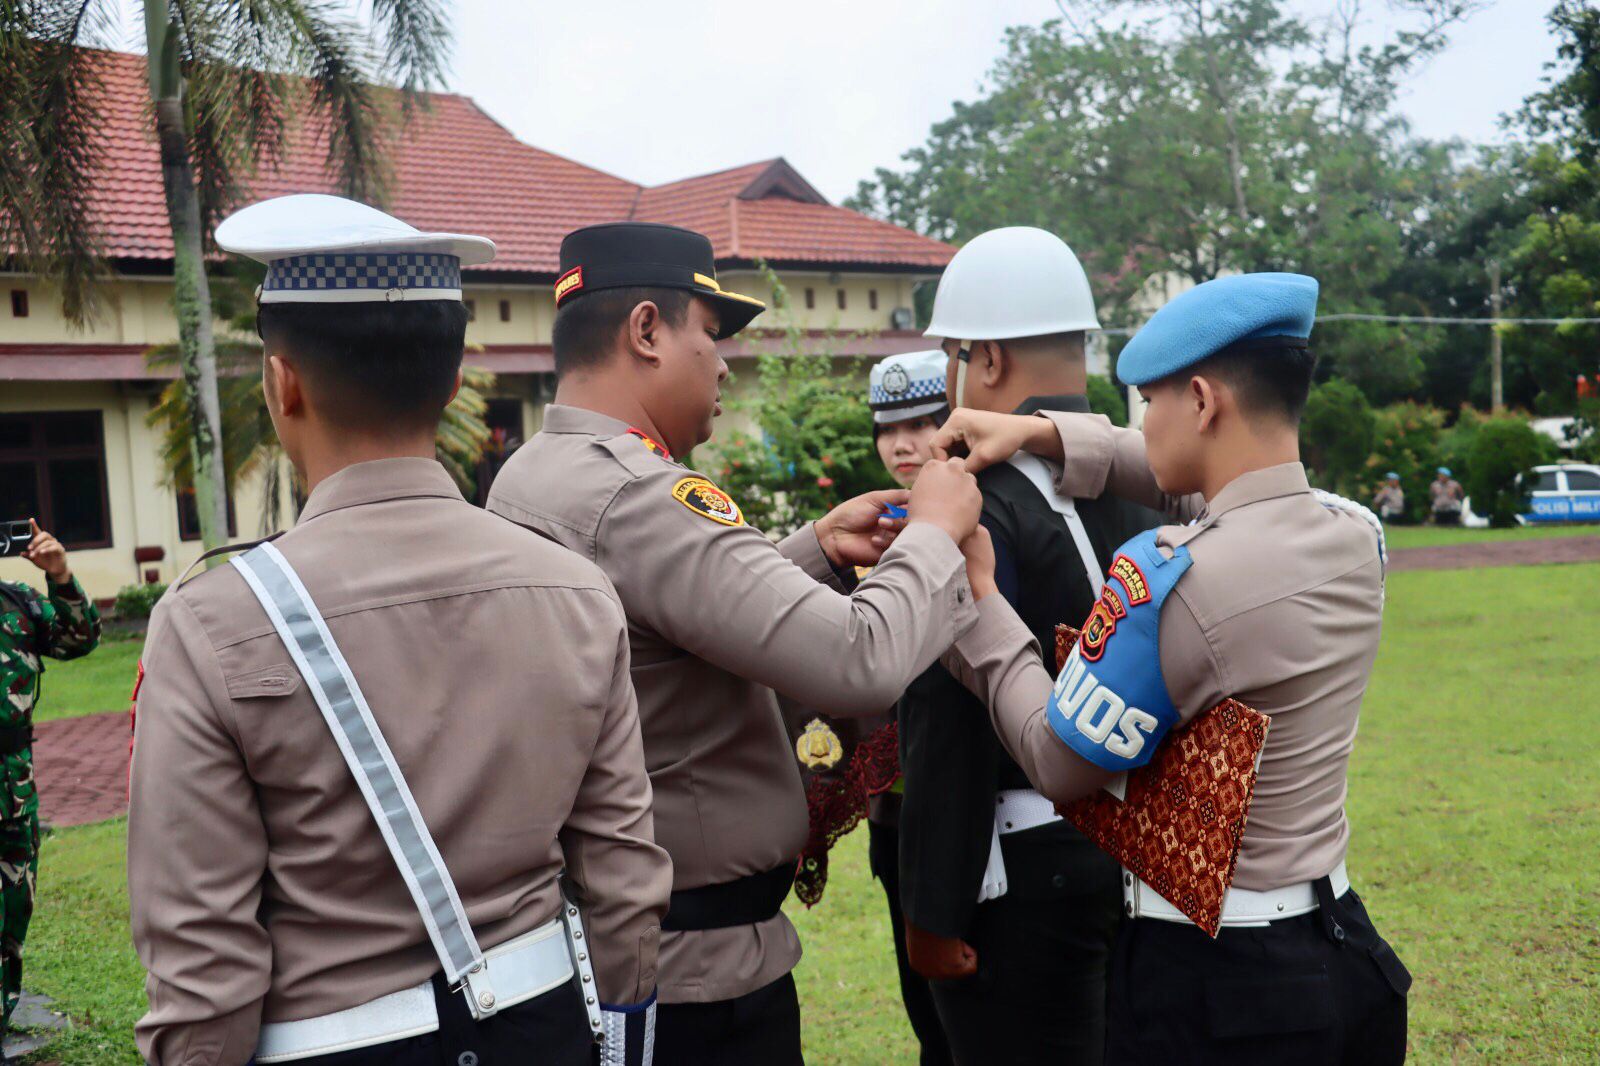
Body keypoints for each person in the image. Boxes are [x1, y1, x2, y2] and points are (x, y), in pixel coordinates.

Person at [127, 195, 672, 1066]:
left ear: (284, 383)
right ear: (454, 381)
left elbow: (203, 982)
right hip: (545, 1033)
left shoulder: (211, 623)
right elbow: (623, 885)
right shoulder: (576, 590)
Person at [485, 221, 985, 1066]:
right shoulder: (641, 494)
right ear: (646, 331)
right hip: (699, 976)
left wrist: (814, 550)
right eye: (708, 337)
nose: (721, 366)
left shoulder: (535, 471)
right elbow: (859, 661)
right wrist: (936, 532)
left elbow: (654, 633)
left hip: (611, 943)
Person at [932, 272, 1410, 1064]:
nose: (1142, 424)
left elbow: (1058, 758)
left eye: (1149, 402)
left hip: (1216, 987)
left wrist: (978, 602)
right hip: (1340, 946)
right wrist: (1039, 434)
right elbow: (1213, 494)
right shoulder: (1354, 534)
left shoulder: (1170, 583)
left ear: (1201, 400)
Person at [898, 227, 1152, 1066]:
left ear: (990, 360)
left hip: (1020, 869)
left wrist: (932, 908)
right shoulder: (1145, 487)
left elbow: (944, 717)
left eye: (954, 354)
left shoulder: (967, 500)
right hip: (1147, 853)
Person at [865, 349, 956, 1066]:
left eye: (924, 423)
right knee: (924, 1010)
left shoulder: (980, 517)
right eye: (887, 427)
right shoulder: (867, 531)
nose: (903, 443)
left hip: (965, 804)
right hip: (894, 809)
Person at [0, 521, 99, 1057]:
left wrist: (59, 574)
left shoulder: (18, 604)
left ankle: (1, 1012)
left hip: (13, 785)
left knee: (15, 903)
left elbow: (81, 639)